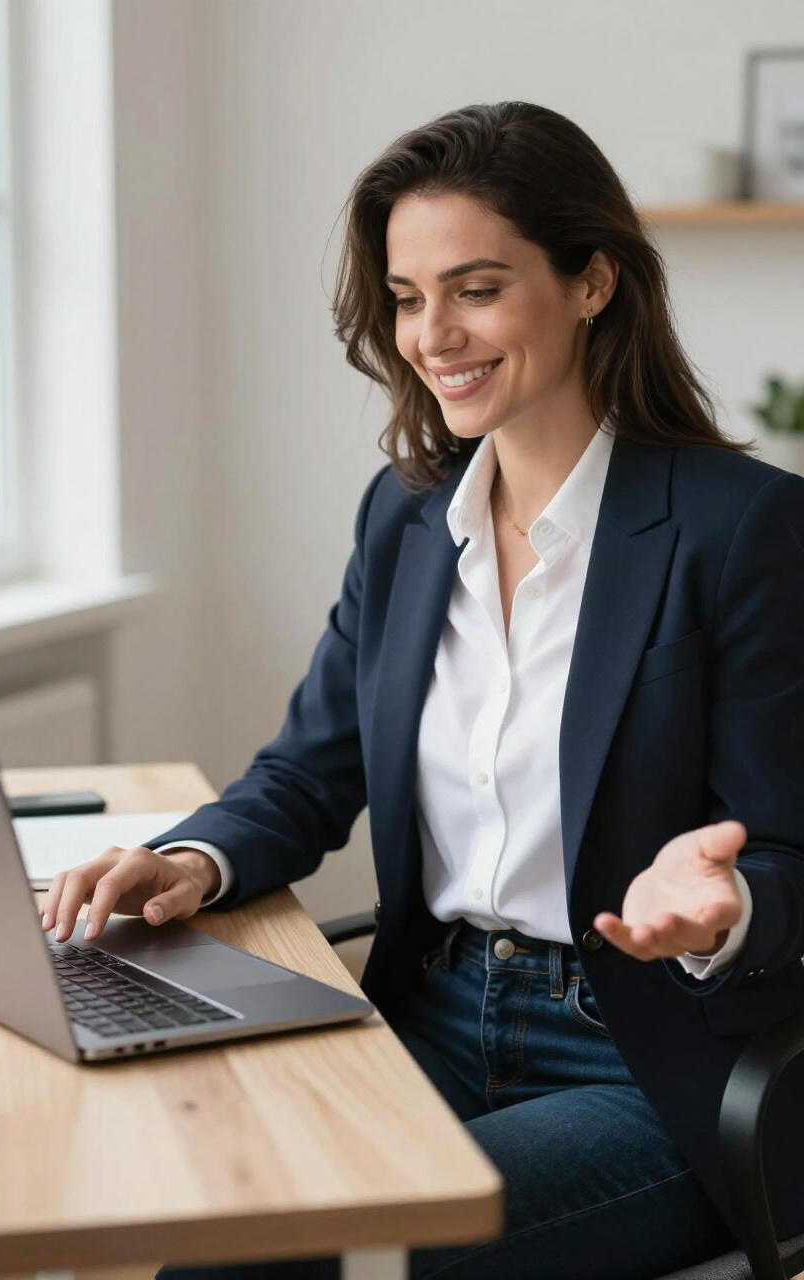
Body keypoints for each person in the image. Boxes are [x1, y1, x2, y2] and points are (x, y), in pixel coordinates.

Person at [40, 102, 804, 1280]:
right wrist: (195, 859)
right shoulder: (405, 516)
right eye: (405, 296)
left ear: (592, 281)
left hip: (639, 1063)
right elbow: (311, 765)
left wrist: (722, 908)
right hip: (427, 1010)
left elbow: (787, 855)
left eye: (477, 287)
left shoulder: (740, 528)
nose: (431, 333)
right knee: (197, 1219)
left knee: (288, 1263)